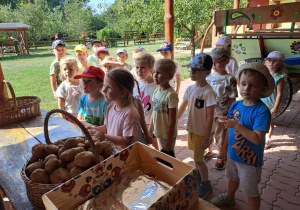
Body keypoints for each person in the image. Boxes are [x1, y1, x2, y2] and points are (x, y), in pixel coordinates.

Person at [211, 63, 274, 210]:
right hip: (233, 154)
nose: (246, 89)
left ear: (263, 89)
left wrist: (237, 126)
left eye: (253, 86)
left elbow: (257, 138)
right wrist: (224, 148)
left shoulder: (262, 112)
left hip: (249, 160)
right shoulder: (236, 105)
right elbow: (229, 129)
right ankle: (229, 197)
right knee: (232, 178)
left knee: (250, 190)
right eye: (243, 84)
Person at [178, 53, 216, 199]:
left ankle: (206, 184)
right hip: (191, 129)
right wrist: (174, 121)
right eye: (191, 69)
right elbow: (182, 107)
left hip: (201, 132)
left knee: (199, 160)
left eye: (196, 70)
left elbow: (210, 117)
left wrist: (207, 138)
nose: (192, 72)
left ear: (207, 72)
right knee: (196, 157)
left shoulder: (208, 92)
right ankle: (198, 177)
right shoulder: (190, 89)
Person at [86, 68, 141, 151]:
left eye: (109, 87)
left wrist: (101, 135)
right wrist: (93, 129)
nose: (103, 90)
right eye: (104, 86)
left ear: (122, 92)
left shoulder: (130, 113)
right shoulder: (111, 107)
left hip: (125, 156)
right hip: (113, 150)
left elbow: (125, 141)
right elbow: (106, 127)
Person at [205, 47, 238, 170]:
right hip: (207, 113)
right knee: (207, 132)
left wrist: (230, 116)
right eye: (212, 62)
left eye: (217, 62)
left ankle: (221, 154)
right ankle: (208, 150)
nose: (214, 65)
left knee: (220, 135)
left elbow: (232, 100)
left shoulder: (229, 79)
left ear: (227, 61)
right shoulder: (207, 77)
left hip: (222, 114)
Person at [149, 59, 178, 158]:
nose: (155, 75)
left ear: (170, 76)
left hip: (167, 135)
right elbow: (154, 111)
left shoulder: (171, 95)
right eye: (154, 72)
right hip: (159, 132)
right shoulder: (156, 91)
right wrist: (150, 130)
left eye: (159, 73)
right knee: (164, 156)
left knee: (168, 158)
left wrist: (169, 141)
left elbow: (172, 120)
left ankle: (176, 173)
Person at [261, 51, 287, 149]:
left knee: (270, 123)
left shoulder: (279, 78)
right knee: (259, 120)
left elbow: (279, 93)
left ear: (280, 64)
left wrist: (275, 107)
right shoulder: (262, 74)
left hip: (270, 104)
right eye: (269, 60)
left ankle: (268, 139)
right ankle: (258, 136)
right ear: (266, 61)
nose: (271, 63)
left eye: (275, 61)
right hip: (260, 102)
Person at [133, 53, 158, 148]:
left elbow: (155, 110)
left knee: (153, 142)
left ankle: (159, 158)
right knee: (144, 145)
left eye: (143, 67)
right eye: (137, 67)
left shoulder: (156, 86)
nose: (139, 71)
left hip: (152, 123)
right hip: (139, 123)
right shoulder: (135, 84)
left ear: (152, 68)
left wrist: (150, 129)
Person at [56, 58, 84, 122]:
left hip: (84, 117)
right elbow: (61, 108)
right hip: (70, 118)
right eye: (65, 69)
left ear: (77, 69)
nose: (67, 71)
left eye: (70, 69)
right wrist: (64, 121)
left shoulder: (83, 84)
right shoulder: (62, 87)